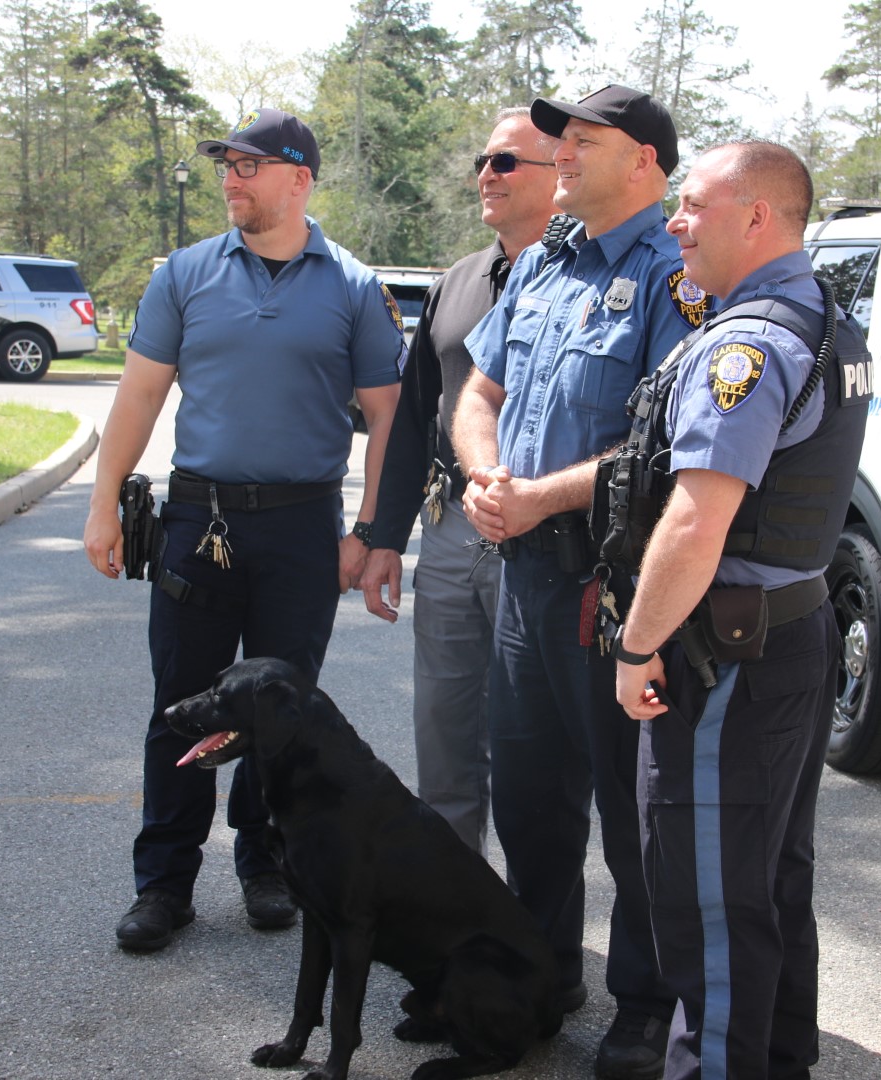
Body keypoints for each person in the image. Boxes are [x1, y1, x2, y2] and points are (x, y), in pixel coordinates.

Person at [82, 107, 404, 952]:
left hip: (301, 527)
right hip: (199, 520)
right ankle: (163, 884)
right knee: (180, 705)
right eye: (226, 164)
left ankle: (266, 865)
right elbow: (139, 394)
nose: (230, 177)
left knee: (282, 711)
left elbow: (388, 415)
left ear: (300, 179)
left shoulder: (354, 286)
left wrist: (369, 529)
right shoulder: (184, 274)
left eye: (248, 165)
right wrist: (102, 501)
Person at [451, 85, 707, 1080]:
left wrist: (538, 498)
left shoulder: (672, 276)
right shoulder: (543, 262)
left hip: (610, 588)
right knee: (527, 801)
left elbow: (669, 448)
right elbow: (481, 391)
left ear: (645, 162)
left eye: (584, 141)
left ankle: (645, 1004)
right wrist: (487, 476)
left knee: (632, 811)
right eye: (560, 140)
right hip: (521, 578)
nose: (561, 154)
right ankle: (543, 976)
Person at [610, 142, 873, 1080]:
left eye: (694, 204)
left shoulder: (749, 345)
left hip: (728, 659)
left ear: (758, 216)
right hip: (786, 635)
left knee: (712, 908)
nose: (676, 222)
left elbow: (697, 519)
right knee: (769, 883)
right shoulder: (827, 319)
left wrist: (636, 645)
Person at [358, 107, 560, 854]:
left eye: (505, 161)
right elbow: (415, 417)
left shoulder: (586, 280)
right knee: (442, 732)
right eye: (482, 161)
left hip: (543, 535)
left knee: (534, 744)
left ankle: (532, 912)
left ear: (560, 175)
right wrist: (383, 538)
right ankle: (453, 900)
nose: (486, 174)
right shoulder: (457, 283)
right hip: (449, 532)